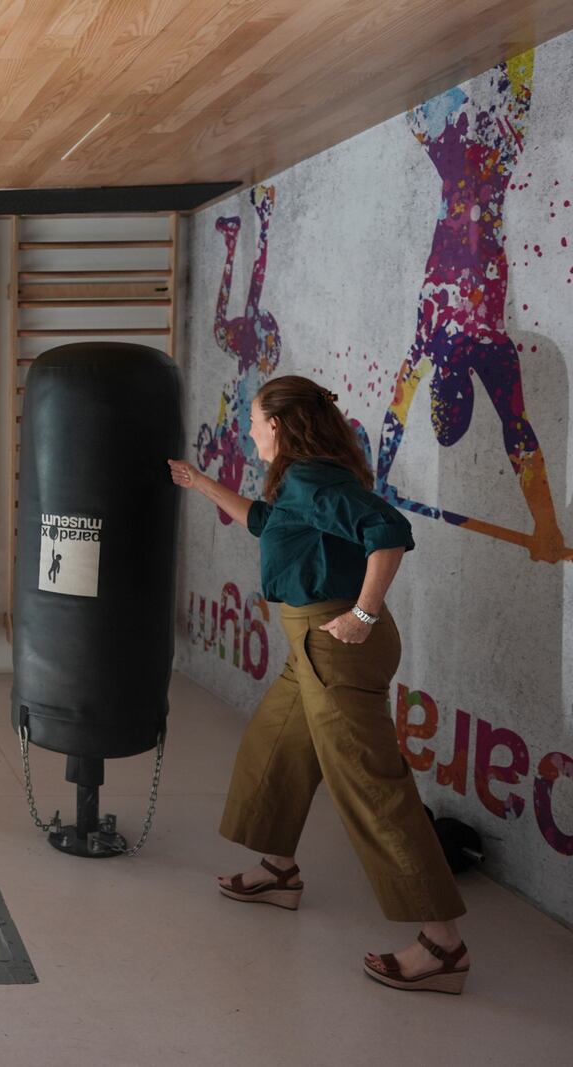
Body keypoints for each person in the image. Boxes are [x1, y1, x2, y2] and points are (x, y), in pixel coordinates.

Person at [168, 375, 470, 995]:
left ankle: (443, 944)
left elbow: (388, 532)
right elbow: (266, 522)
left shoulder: (310, 477)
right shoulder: (301, 480)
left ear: (278, 424)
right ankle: (279, 871)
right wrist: (199, 482)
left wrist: (362, 615)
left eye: (255, 420)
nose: (250, 431)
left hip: (333, 644)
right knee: (275, 747)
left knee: (368, 784)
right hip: (310, 644)